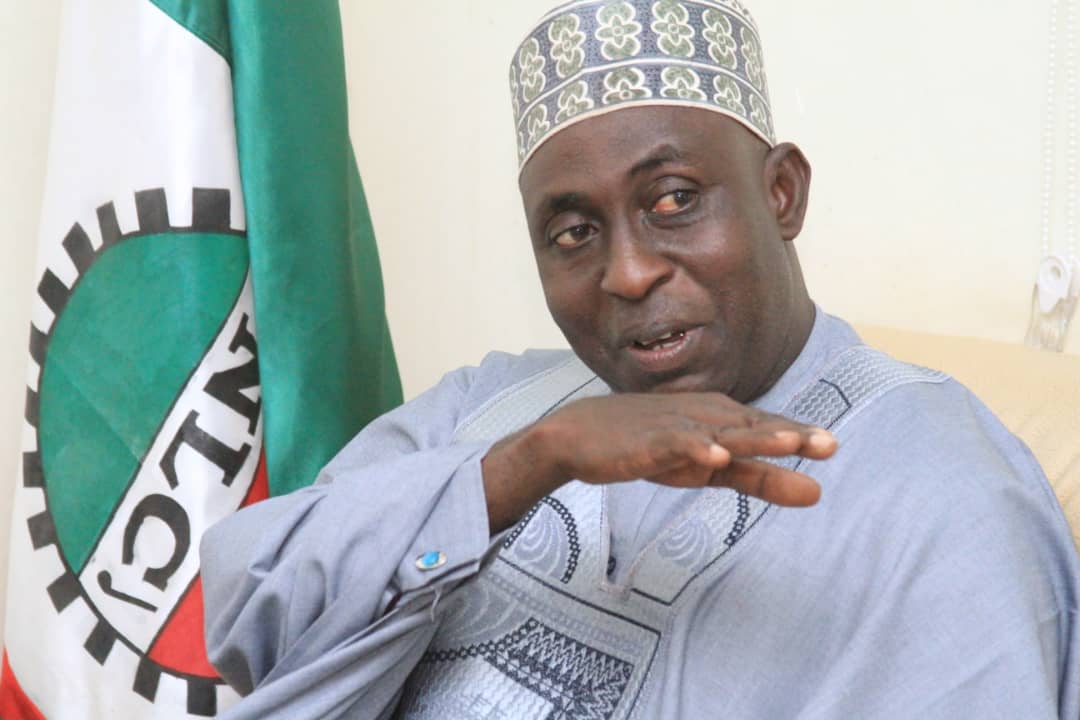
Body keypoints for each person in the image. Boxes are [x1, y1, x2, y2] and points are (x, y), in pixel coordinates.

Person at [200, 1, 1080, 717]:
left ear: (781, 193)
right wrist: (523, 466)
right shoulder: (497, 405)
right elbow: (252, 611)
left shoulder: (947, 494)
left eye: (673, 200)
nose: (626, 273)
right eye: (573, 232)